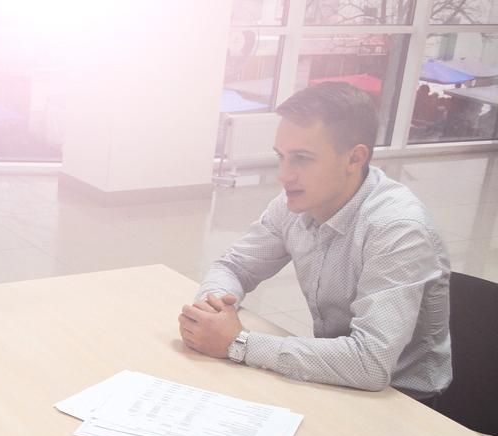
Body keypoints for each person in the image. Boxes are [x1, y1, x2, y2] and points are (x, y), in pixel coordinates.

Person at [179, 82, 451, 403]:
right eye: (281, 157)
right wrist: (210, 314)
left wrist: (238, 342)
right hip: (334, 377)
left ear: (354, 158)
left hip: (405, 400)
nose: (284, 175)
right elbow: (234, 266)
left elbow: (370, 363)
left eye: (302, 159)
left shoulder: (397, 229)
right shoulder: (295, 202)